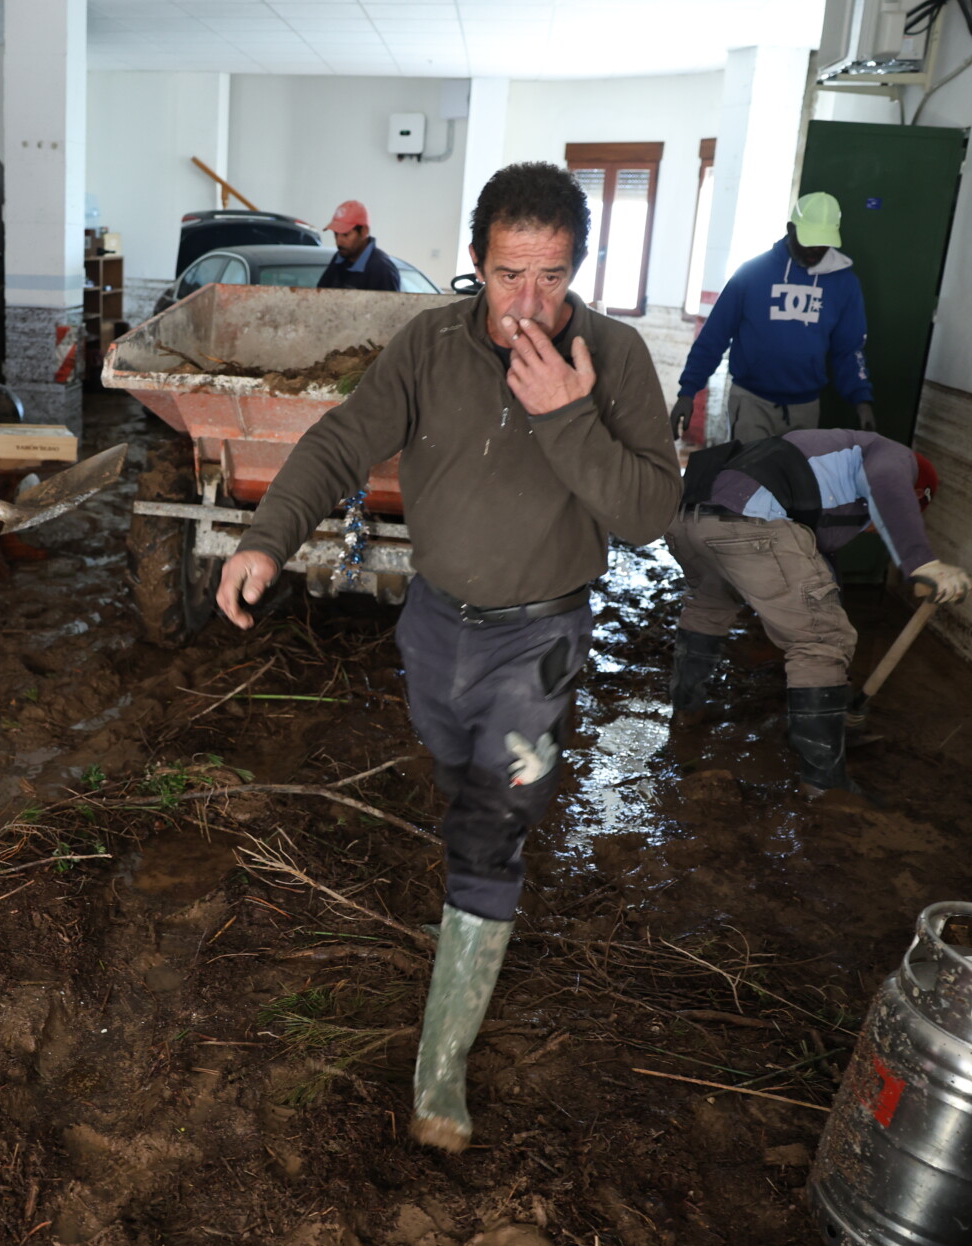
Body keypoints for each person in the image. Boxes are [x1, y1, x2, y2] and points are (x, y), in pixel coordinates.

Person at [216, 163, 680, 1153]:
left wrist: (566, 414)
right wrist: (267, 534)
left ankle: (440, 1067)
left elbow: (646, 515)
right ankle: (468, 885)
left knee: (491, 826)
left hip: (541, 641)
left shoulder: (616, 357)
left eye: (552, 277)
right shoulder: (426, 344)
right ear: (476, 263)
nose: (530, 303)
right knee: (453, 770)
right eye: (511, 274)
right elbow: (343, 440)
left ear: (577, 270)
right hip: (433, 626)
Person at [666, 428, 972, 794]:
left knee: (709, 606)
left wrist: (837, 682)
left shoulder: (821, 475)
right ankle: (825, 784)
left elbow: (818, 574)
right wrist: (922, 562)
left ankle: (687, 711)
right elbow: (888, 484)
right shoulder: (893, 455)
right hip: (747, 520)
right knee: (821, 640)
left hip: (686, 518)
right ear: (916, 494)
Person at [671, 193, 876, 443]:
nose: (815, 251)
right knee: (747, 478)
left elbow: (849, 350)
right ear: (790, 229)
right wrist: (688, 391)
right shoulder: (752, 274)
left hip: (805, 407)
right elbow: (714, 336)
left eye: (823, 244)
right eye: (809, 241)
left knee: (793, 481)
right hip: (751, 403)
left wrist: (862, 400)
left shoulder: (844, 283)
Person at [315, 199, 402, 292]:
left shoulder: (383, 270)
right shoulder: (338, 259)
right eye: (336, 234)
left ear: (364, 231)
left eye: (346, 234)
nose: (338, 242)